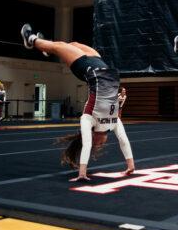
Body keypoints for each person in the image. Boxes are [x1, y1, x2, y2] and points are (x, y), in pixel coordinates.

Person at [21, 23, 135, 181]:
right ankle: (47, 47)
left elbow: (87, 145)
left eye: (99, 145)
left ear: (94, 137)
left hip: (85, 69)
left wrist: (82, 173)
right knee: (72, 44)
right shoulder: (113, 123)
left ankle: (31, 40)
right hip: (101, 66)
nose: (102, 144)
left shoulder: (88, 119)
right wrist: (131, 166)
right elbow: (123, 140)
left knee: (60, 46)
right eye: (101, 145)